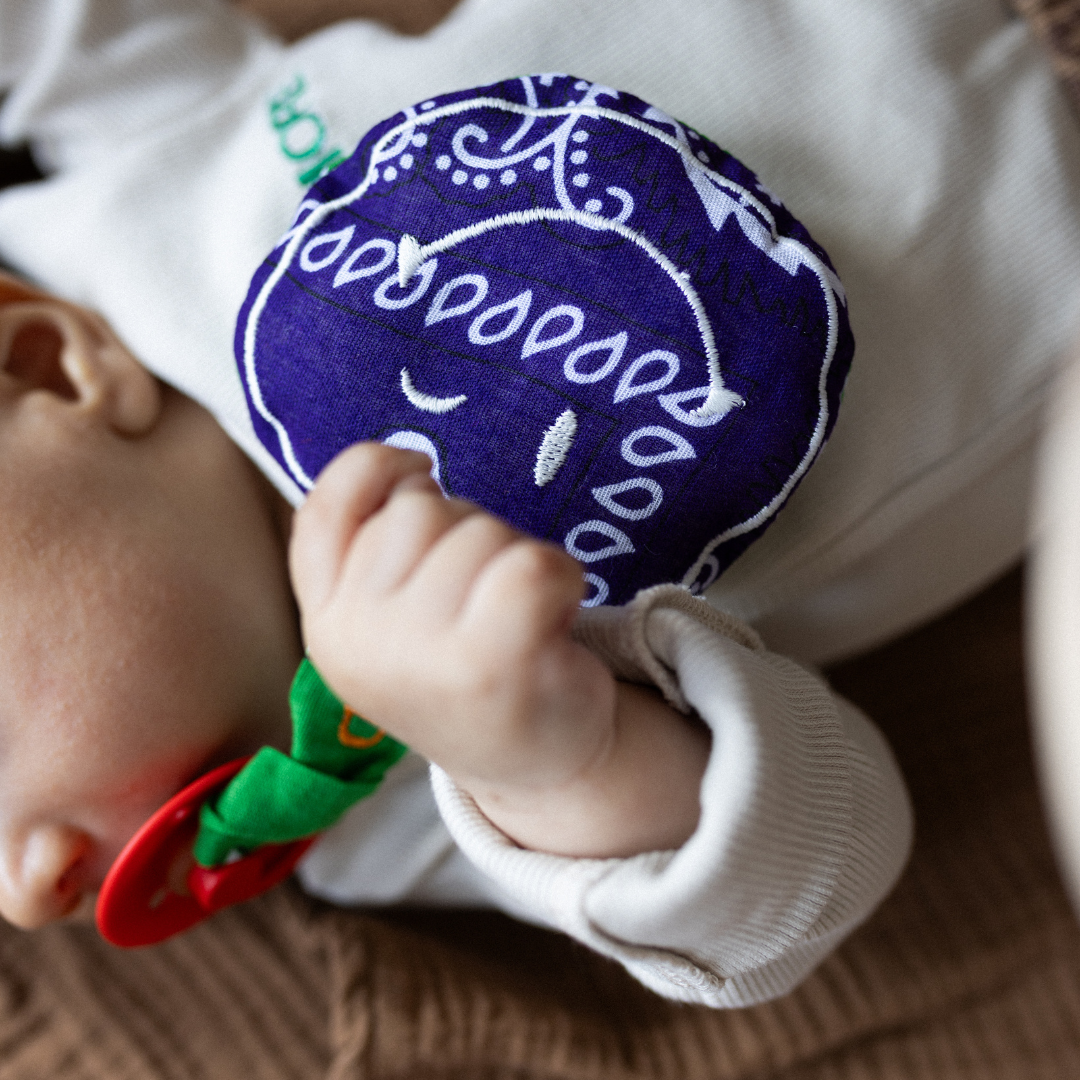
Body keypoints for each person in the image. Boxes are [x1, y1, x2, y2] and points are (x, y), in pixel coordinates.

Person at [0, 0, 1074, 1005]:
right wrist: (558, 762)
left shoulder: (138, 170)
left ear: (48, 366)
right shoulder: (405, 797)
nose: (29, 896)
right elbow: (818, 877)